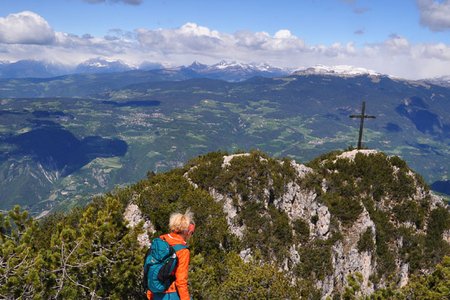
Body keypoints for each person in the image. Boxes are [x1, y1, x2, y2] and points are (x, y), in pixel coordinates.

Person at [147, 210, 195, 300]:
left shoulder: (160, 240)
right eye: (191, 232)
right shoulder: (183, 251)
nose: (190, 235)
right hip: (171, 294)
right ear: (186, 231)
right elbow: (181, 281)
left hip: (155, 292)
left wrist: (150, 292)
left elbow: (150, 266)